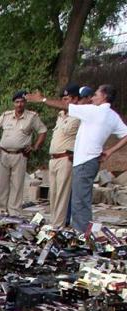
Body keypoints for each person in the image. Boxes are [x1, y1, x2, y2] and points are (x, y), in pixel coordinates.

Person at [26, 84, 127, 232]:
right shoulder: (113, 115)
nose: (92, 98)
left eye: (96, 94)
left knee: (79, 201)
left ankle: (81, 235)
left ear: (104, 96)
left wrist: (42, 99)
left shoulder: (94, 111)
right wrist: (110, 151)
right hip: (90, 161)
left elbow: (65, 106)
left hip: (85, 161)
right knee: (81, 199)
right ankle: (82, 232)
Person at [0, 91, 47, 216]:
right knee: (3, 183)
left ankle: (14, 211)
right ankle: (2, 210)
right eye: (17, 102)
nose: (19, 104)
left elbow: (43, 131)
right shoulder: (6, 116)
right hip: (4, 154)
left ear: (25, 103)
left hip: (20, 155)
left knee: (17, 184)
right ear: (13, 103)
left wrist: (35, 147)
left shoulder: (31, 117)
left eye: (22, 102)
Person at [46, 84, 80, 228]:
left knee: (62, 194)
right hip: (53, 158)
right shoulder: (61, 115)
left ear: (75, 99)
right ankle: (54, 222)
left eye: (67, 99)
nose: (64, 102)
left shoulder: (78, 115)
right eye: (63, 99)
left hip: (66, 158)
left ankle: (58, 225)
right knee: (53, 193)